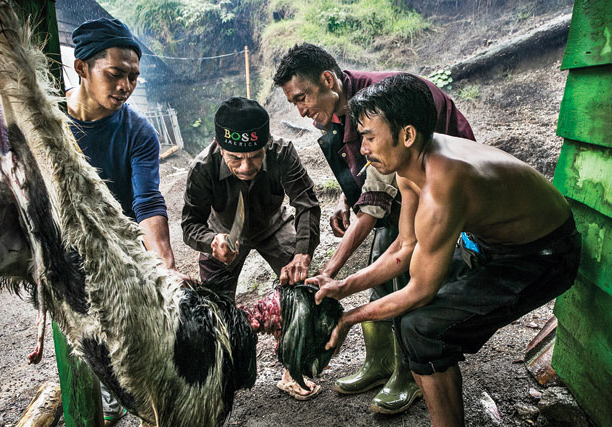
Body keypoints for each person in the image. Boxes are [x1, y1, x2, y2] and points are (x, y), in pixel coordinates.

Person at [308, 74, 581, 426]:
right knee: (412, 320)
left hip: (544, 255)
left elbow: (421, 291)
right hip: (493, 244)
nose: (362, 149)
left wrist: (349, 317)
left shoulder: (443, 186)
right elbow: (403, 250)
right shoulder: (410, 166)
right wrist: (342, 287)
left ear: (406, 134)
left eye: (369, 138)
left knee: (421, 328)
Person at [273, 42, 475, 413]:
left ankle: (407, 373)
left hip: (438, 182)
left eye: (302, 98)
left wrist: (330, 271)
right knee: (382, 256)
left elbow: (375, 202)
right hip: (402, 184)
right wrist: (346, 199)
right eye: (294, 104)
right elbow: (367, 180)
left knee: (400, 265)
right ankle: (379, 362)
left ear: (328, 80)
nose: (300, 111)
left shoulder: (374, 105)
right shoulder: (338, 112)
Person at [67, 18, 182, 426]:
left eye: (133, 77)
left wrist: (165, 270)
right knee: (82, 338)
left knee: (127, 328)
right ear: (82, 68)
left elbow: (147, 202)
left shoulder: (139, 133)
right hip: (65, 247)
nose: (125, 86)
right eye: (115, 74)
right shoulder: (51, 127)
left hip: (120, 245)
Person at [181, 96, 322, 400]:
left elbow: (306, 204)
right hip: (223, 236)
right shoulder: (202, 168)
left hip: (274, 225)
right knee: (214, 310)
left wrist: (301, 253)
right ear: (220, 148)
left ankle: (293, 369)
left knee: (302, 289)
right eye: (235, 159)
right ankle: (221, 375)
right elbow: (189, 225)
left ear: (267, 144)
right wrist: (211, 242)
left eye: (255, 157)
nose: (246, 167)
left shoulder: (283, 153)